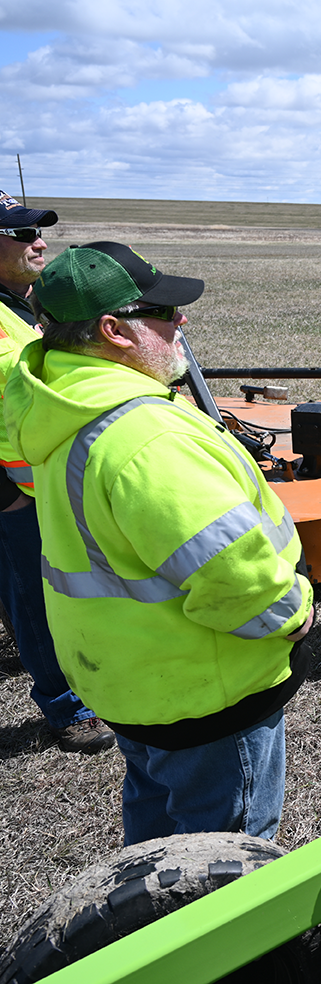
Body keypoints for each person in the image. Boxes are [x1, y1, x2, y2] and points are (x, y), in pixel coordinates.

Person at [7, 242, 313, 843]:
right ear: (113, 329)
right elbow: (232, 572)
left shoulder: (59, 406)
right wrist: (293, 615)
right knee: (225, 855)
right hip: (205, 692)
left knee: (155, 827)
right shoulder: (146, 437)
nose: (182, 322)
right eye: (165, 313)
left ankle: (142, 925)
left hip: (133, 682)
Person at [0, 192, 114, 753]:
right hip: (17, 495)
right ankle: (66, 705)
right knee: (33, 598)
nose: (38, 242)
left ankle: (92, 675)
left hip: (61, 480)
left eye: (37, 231)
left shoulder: (30, 300)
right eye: (21, 234)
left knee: (74, 588)